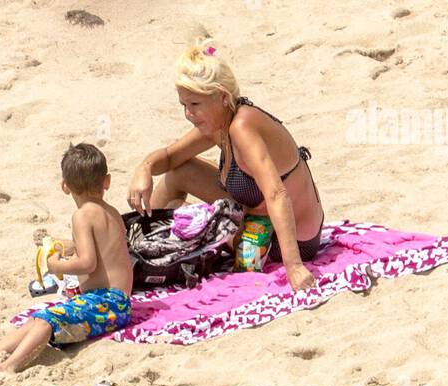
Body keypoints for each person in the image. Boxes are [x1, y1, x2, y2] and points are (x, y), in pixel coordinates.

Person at [127, 37, 324, 293]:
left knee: (180, 213)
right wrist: (144, 168)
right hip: (257, 216)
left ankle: (136, 248)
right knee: (180, 172)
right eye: (184, 105)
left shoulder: (242, 127)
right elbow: (170, 156)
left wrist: (294, 266)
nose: (188, 114)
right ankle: (134, 238)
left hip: (289, 239)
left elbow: (277, 193)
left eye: (195, 104)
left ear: (222, 97)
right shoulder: (219, 124)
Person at [0, 143, 133, 374]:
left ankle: (7, 366)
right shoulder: (111, 212)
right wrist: (66, 245)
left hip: (107, 304)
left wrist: (56, 265)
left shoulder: (82, 215)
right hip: (116, 302)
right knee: (36, 318)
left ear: (64, 186)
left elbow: (88, 263)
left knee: (46, 321)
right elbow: (102, 249)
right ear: (107, 181)